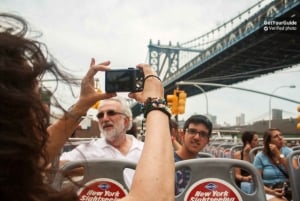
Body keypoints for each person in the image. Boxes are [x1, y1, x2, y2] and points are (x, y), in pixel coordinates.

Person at [0, 12, 174, 201]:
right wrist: (156, 102)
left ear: (127, 120)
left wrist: (82, 105)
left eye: (111, 113)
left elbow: (29, 160)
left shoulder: (9, 177)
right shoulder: (87, 150)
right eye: (36, 99)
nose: (42, 109)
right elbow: (155, 197)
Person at [59, 96, 144, 187]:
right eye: (100, 115)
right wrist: (91, 167)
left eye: (111, 113)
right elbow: (55, 166)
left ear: (126, 121)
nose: (105, 119)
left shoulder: (145, 149)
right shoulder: (90, 148)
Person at [253, 128, 296, 201]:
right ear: (269, 141)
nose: (280, 138)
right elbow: (256, 182)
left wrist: (279, 155)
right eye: (276, 136)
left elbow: (294, 172)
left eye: (280, 135)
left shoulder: (289, 152)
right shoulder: (260, 157)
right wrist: (272, 192)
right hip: (269, 190)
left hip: (290, 189)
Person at [174, 114, 213, 195]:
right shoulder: (166, 163)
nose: (197, 137)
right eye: (192, 131)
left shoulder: (207, 169)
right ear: (183, 134)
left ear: (207, 141)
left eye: (203, 134)